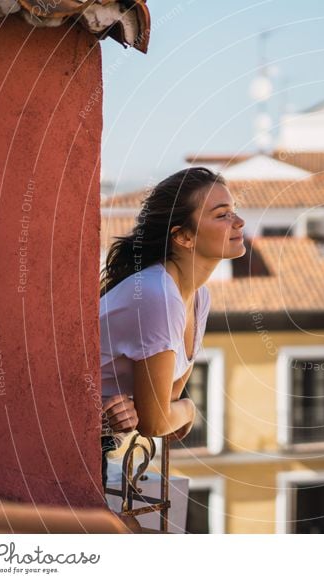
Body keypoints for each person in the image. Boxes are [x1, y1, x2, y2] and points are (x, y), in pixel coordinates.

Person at [98, 167, 245, 491]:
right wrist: (190, 410)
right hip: (64, 443)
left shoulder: (197, 297)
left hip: (99, 443)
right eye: (222, 215)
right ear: (183, 237)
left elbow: (166, 402)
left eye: (234, 211)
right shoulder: (157, 295)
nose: (239, 222)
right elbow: (156, 421)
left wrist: (164, 410)